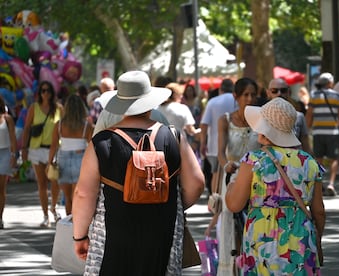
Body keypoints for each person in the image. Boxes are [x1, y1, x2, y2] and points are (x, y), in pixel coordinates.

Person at [72, 70, 205, 275]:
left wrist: (80, 236)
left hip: (114, 231)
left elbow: (83, 193)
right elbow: (196, 183)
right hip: (163, 227)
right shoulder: (173, 136)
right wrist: (168, 200)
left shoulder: (101, 142)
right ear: (150, 102)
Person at [225, 97, 325, 275]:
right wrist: (318, 240)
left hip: (262, 237)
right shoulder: (309, 162)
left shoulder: (253, 161)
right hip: (301, 237)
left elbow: (234, 204)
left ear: (263, 131)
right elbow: (319, 211)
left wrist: (231, 185)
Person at [206, 77, 261, 275]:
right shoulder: (226, 120)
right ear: (236, 97)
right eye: (245, 94)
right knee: (230, 227)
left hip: (258, 179)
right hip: (232, 178)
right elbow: (220, 152)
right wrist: (225, 164)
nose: (249, 98)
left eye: (253, 95)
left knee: (255, 226)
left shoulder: (262, 119)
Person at [22, 81, 63, 227]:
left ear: (52, 93)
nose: (45, 93)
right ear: (39, 93)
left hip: (54, 149)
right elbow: (27, 128)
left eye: (48, 91)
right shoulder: (34, 107)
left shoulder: (58, 108)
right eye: (43, 91)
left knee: (55, 181)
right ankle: (46, 215)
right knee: (42, 183)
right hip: (36, 148)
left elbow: (64, 128)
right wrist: (24, 148)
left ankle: (54, 208)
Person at [48, 95, 93, 216]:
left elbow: (53, 146)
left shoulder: (59, 125)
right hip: (81, 159)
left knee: (67, 198)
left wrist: (49, 162)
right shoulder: (87, 126)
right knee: (77, 197)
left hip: (63, 159)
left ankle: (69, 225)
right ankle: (77, 226)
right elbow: (92, 147)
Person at [306, 73, 339, 196]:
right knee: (334, 158)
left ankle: (320, 184)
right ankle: (331, 183)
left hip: (318, 132)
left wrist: (307, 129)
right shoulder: (337, 96)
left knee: (318, 158)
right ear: (330, 83)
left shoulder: (314, 95)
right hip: (332, 132)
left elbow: (309, 114)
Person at [200, 79, 236, 195]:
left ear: (220, 89)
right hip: (235, 144)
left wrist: (203, 143)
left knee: (216, 173)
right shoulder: (237, 100)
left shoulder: (212, 102)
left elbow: (204, 123)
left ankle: (215, 203)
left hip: (214, 145)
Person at [267, 78, 311, 153]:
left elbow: (305, 145)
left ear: (288, 92)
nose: (279, 94)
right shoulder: (262, 116)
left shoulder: (299, 117)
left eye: (283, 90)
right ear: (268, 93)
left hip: (295, 161)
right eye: (274, 91)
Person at [0, 96, 17, 229]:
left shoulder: (7, 119)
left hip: (5, 153)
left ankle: (0, 217)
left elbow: (12, 137)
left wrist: (13, 154)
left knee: (2, 188)